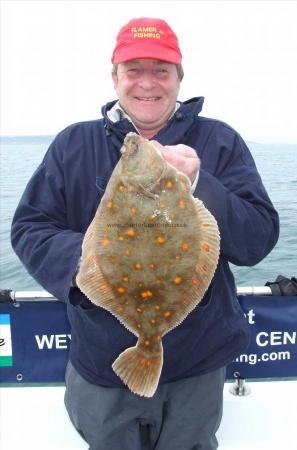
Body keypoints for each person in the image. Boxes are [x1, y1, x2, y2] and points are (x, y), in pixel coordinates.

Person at [11, 17, 279, 450]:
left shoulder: (220, 141)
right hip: (101, 366)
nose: (147, 83)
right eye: (134, 69)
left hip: (198, 364)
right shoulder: (72, 145)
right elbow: (29, 229)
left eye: (161, 70)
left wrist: (199, 183)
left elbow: (258, 238)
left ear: (179, 78)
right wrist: (92, 267)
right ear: (114, 77)